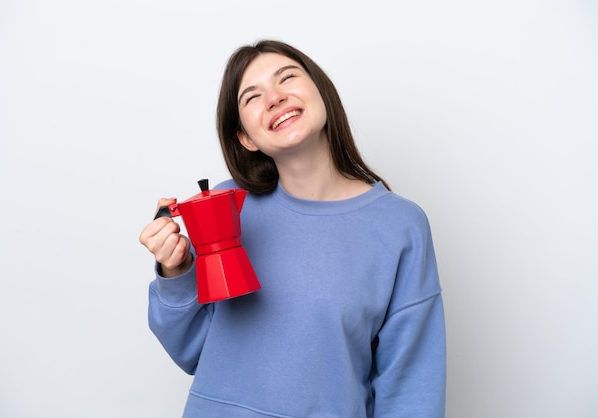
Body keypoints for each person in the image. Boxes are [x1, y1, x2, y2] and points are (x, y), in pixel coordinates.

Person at [139, 39, 446, 417]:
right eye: (252, 97)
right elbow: (193, 350)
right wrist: (177, 272)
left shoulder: (400, 226)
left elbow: (412, 386)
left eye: (287, 77)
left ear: (321, 92)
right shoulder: (225, 207)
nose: (274, 97)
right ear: (246, 138)